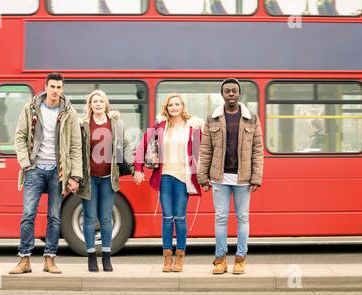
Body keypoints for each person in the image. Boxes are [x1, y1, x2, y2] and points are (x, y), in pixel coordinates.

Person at [10, 73, 82, 274]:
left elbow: (76, 145)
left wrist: (75, 175)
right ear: (46, 87)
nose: (56, 91)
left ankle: (49, 259)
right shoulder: (31, 108)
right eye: (52, 87)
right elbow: (20, 136)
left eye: (59, 87)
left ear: (62, 89)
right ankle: (24, 260)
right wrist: (25, 163)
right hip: (35, 170)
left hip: (57, 172)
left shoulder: (70, 113)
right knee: (28, 215)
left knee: (54, 217)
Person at [198, 78, 264, 275]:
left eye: (234, 90)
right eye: (227, 91)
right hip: (220, 178)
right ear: (222, 94)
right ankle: (220, 259)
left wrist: (256, 177)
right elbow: (205, 149)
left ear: (239, 93)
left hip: (243, 179)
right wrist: (203, 176)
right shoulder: (212, 118)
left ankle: (240, 259)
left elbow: (257, 150)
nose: (231, 94)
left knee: (243, 218)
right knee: (220, 219)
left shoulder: (252, 118)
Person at [134, 93, 204, 273]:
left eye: (177, 104)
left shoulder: (193, 127)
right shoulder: (160, 127)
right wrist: (139, 169)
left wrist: (205, 176)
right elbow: (142, 147)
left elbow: (203, 152)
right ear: (167, 107)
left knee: (180, 217)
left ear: (182, 106)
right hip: (165, 176)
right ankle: (166, 258)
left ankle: (180, 257)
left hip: (183, 178)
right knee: (167, 218)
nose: (174, 107)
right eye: (171, 105)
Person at [76, 90, 135, 272]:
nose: (98, 104)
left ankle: (107, 258)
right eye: (95, 101)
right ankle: (92, 257)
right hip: (89, 180)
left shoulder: (115, 123)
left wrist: (133, 168)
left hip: (108, 179)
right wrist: (75, 176)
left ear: (106, 104)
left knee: (106, 219)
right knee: (89, 219)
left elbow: (124, 145)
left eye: (101, 101)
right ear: (90, 105)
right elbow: (77, 150)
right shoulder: (83, 124)